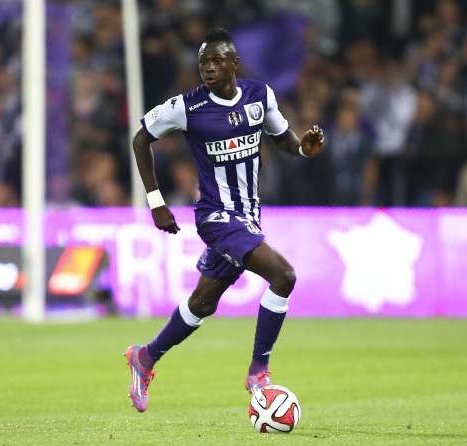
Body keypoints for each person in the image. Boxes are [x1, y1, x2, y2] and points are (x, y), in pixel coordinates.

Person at [123, 28, 324, 413]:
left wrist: (302, 149)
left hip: (248, 216)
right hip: (216, 217)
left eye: (217, 61)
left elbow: (282, 137)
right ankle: (259, 371)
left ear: (234, 63)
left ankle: (145, 357)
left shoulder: (259, 96)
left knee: (203, 302)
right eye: (204, 63)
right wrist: (156, 202)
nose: (209, 68)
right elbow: (140, 139)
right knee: (284, 276)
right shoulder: (188, 106)